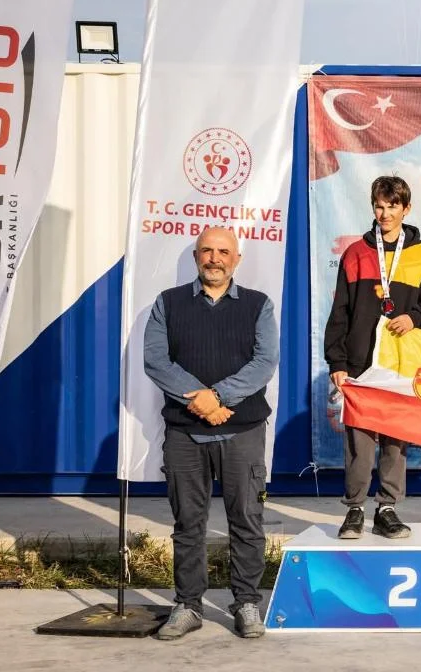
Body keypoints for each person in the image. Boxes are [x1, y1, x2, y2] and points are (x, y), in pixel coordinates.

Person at [143, 227, 278, 640]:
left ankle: (247, 602)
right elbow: (156, 361)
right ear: (196, 256)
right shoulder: (168, 303)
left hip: (243, 431)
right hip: (185, 433)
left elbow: (264, 362)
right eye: (207, 251)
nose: (214, 258)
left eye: (223, 251)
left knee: (247, 519)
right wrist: (200, 402)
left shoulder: (258, 305)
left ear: (236, 259)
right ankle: (188, 605)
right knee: (187, 522)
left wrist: (217, 396)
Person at [324, 175, 421, 540]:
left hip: (400, 366)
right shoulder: (356, 254)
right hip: (360, 363)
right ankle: (355, 508)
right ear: (372, 207)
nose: (385, 213)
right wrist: (337, 362)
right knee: (359, 442)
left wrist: (415, 318)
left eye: (393, 206)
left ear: (407, 209)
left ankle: (387, 508)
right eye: (379, 206)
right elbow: (340, 312)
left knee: (395, 440)